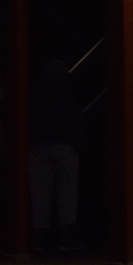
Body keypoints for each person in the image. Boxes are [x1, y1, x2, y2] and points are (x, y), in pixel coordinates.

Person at [27, 59, 81, 254]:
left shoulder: (35, 95)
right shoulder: (66, 95)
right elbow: (75, 120)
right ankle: (66, 235)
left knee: (39, 192)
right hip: (64, 145)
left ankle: (39, 236)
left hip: (38, 145)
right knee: (67, 191)